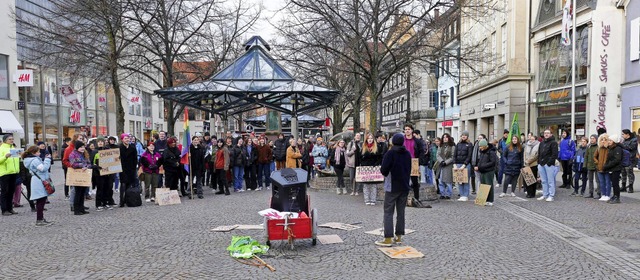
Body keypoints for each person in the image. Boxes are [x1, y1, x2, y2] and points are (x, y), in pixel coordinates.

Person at [375, 133, 411, 247]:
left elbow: (384, 169)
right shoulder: (407, 154)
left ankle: (388, 238)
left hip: (392, 186)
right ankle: (399, 236)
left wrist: (386, 173)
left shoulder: (390, 153)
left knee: (388, 212)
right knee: (401, 212)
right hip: (404, 186)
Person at [22, 145, 54, 226]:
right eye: (38, 152)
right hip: (39, 181)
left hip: (38, 180)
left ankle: (41, 218)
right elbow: (43, 169)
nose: (39, 153)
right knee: (40, 201)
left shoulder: (32, 159)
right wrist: (47, 160)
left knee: (41, 200)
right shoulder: (34, 160)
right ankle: (39, 220)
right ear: (33, 153)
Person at [68, 141, 93, 215]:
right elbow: (73, 164)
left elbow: (89, 163)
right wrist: (82, 165)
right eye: (81, 147)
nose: (82, 148)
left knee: (83, 193)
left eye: (83, 147)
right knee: (78, 193)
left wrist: (86, 166)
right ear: (77, 147)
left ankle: (82, 208)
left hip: (84, 175)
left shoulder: (84, 154)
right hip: (77, 175)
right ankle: (76, 210)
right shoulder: (73, 154)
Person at [403, 124, 426, 200]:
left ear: (412, 130)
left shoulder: (417, 141)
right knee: (404, 181)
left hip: (414, 162)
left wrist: (419, 161)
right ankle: (404, 198)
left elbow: (422, 151)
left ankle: (416, 198)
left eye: (408, 129)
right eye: (406, 129)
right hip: (404, 162)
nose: (407, 131)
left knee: (415, 181)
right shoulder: (402, 140)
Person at [91, 138, 114, 210]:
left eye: (102, 142)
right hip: (98, 174)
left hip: (107, 173)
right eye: (99, 142)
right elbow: (92, 163)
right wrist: (96, 167)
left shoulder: (106, 150)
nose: (100, 143)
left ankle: (105, 202)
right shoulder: (94, 151)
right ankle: (98, 204)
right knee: (100, 189)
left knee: (107, 188)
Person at [0, 134, 20, 216]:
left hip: (13, 172)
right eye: (9, 139)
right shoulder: (1, 148)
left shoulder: (13, 148)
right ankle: (4, 210)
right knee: (5, 191)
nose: (12, 140)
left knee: (11, 191)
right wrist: (5, 156)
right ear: (5, 140)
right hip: (5, 173)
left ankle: (10, 208)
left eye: (12, 139)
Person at [361, 133, 382, 205]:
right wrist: (363, 164)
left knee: (373, 185)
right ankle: (367, 199)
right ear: (366, 139)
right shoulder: (363, 147)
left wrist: (376, 164)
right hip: (366, 168)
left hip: (374, 168)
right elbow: (360, 158)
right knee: (366, 185)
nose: (370, 140)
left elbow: (379, 157)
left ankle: (373, 199)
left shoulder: (377, 147)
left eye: (371, 138)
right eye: (368, 138)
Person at [537, 129, 559, 202]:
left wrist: (549, 163)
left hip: (549, 164)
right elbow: (539, 153)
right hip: (541, 164)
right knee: (543, 181)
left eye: (547, 133)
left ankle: (551, 195)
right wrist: (539, 162)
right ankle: (545, 194)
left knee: (550, 181)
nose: (546, 134)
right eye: (545, 133)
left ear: (551, 134)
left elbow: (554, 154)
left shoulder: (553, 143)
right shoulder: (542, 143)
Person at [118, 134, 139, 207]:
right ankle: (121, 201)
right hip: (122, 168)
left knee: (129, 185)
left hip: (131, 169)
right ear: (122, 139)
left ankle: (128, 200)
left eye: (128, 138)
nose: (127, 140)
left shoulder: (132, 147)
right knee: (123, 185)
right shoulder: (119, 147)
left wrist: (134, 167)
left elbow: (135, 158)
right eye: (125, 138)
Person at [475, 139, 497, 206]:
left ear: (484, 146)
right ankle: (483, 199)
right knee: (483, 185)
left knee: (489, 184)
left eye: (481, 146)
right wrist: (479, 166)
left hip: (489, 171)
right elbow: (480, 160)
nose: (480, 148)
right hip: (483, 171)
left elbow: (492, 162)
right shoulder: (482, 152)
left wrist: (481, 166)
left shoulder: (491, 152)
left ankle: (490, 200)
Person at [453, 131, 473, 201]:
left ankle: (465, 195)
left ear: (467, 136)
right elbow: (454, 154)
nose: (463, 136)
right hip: (458, 164)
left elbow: (469, 155)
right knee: (459, 180)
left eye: (465, 135)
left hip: (466, 164)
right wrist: (454, 164)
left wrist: (464, 164)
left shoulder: (470, 144)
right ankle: (461, 195)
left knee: (466, 180)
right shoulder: (458, 144)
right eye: (462, 135)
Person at [603, 134, 623, 204]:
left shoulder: (618, 148)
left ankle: (617, 197)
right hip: (611, 168)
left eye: (610, 140)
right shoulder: (611, 148)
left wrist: (607, 166)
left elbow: (617, 160)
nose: (609, 141)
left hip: (616, 168)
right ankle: (614, 195)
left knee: (615, 183)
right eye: (609, 140)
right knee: (613, 183)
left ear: (614, 141)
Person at [437, 133, 455, 200]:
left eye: (446, 137)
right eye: (444, 137)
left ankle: (448, 194)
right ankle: (442, 193)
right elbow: (438, 155)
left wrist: (446, 162)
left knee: (448, 180)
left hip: (448, 165)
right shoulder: (440, 146)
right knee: (440, 180)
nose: (445, 138)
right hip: (441, 165)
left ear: (449, 138)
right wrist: (441, 161)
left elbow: (452, 157)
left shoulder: (452, 146)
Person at [594, 134, 611, 201]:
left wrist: (608, 164)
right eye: (602, 139)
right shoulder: (598, 148)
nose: (603, 141)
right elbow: (595, 157)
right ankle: (603, 194)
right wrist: (597, 163)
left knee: (608, 182)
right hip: (599, 168)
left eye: (605, 140)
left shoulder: (609, 149)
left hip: (607, 168)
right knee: (601, 182)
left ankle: (608, 195)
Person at [523, 133, 540, 198]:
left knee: (533, 180)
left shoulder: (538, 145)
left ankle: (532, 193)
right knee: (527, 180)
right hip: (526, 164)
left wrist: (529, 161)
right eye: (531, 139)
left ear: (535, 140)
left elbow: (537, 155)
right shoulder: (527, 145)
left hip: (533, 164)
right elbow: (524, 153)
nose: (531, 140)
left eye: (533, 139)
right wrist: (525, 161)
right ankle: (528, 192)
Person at [585, 134, 600, 198]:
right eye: (591, 138)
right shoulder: (588, 146)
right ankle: (590, 193)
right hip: (590, 165)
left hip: (596, 165)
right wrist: (585, 165)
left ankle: (599, 193)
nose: (592, 140)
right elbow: (586, 156)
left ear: (596, 139)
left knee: (598, 180)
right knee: (590, 180)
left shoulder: (598, 146)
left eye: (593, 138)